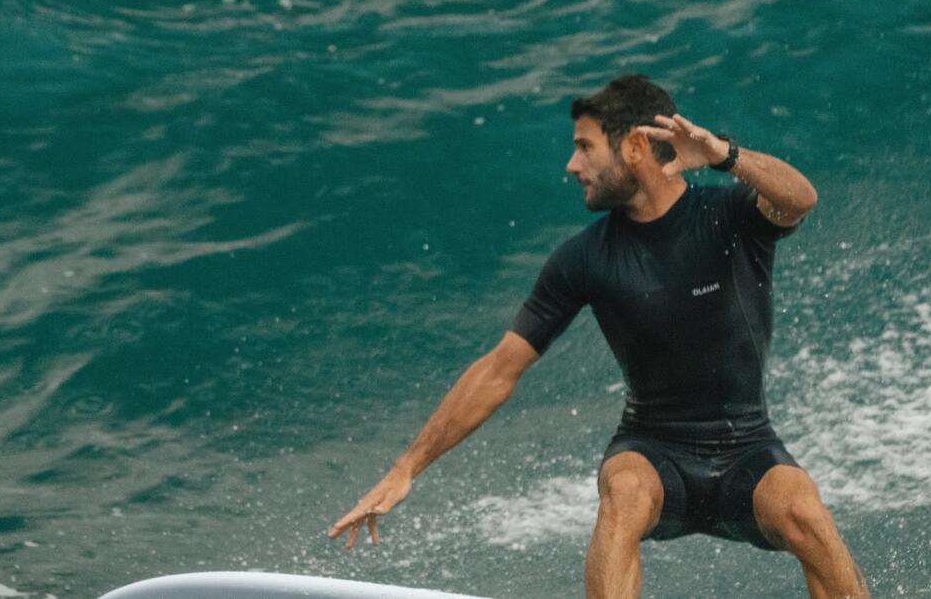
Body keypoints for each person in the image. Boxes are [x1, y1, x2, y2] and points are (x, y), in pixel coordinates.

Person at [328, 75, 869, 599]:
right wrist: (406, 468)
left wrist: (726, 156)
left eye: (585, 148)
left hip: (747, 447)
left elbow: (799, 199)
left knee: (803, 511)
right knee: (625, 493)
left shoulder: (728, 216)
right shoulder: (584, 259)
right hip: (654, 449)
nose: (572, 165)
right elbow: (500, 369)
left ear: (634, 146)